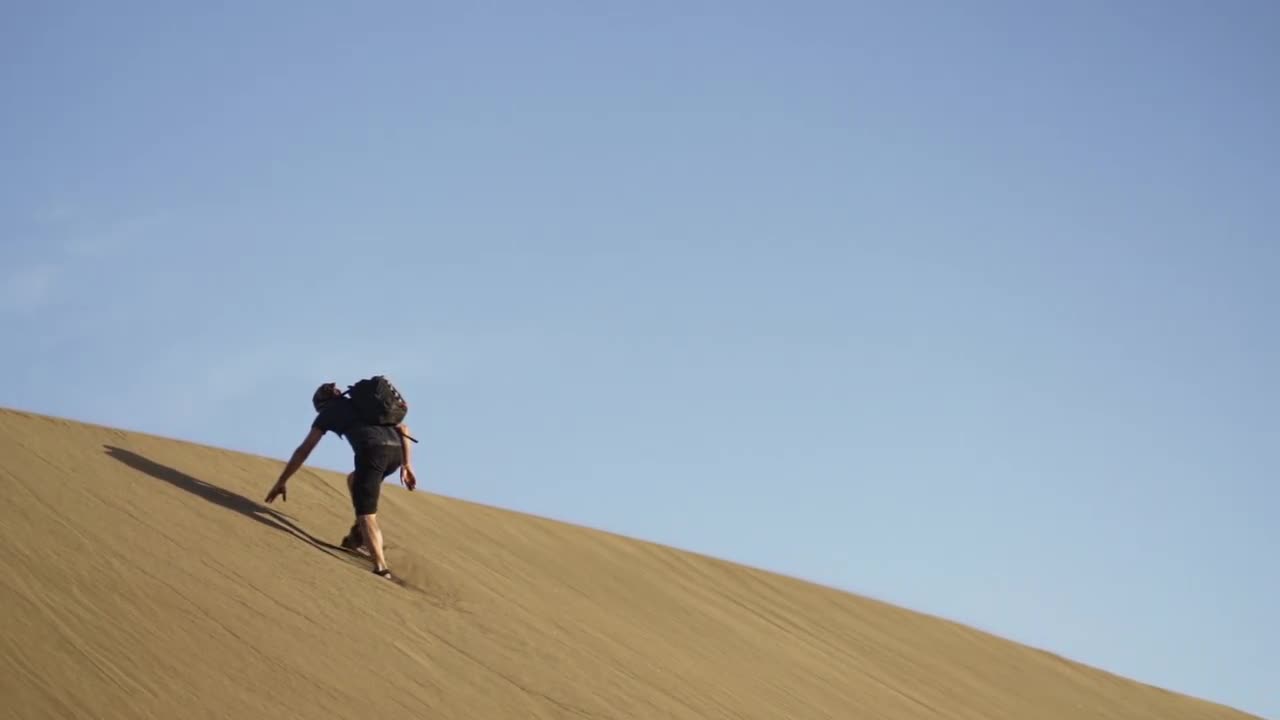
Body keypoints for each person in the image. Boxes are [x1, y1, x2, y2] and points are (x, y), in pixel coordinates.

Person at [264, 381, 418, 579]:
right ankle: (360, 536)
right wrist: (407, 465)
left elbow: (304, 450)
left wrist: (282, 480)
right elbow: (403, 428)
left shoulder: (328, 412)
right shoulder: (366, 405)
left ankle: (381, 568)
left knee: (367, 515)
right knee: (354, 480)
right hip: (396, 453)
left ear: (321, 404)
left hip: (372, 453)